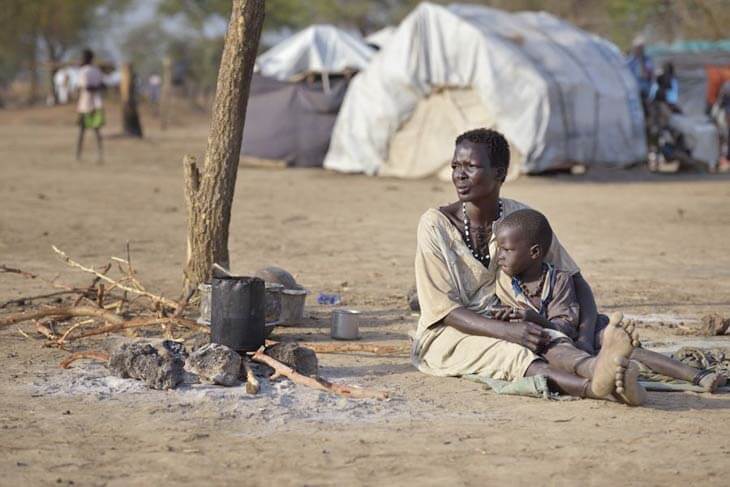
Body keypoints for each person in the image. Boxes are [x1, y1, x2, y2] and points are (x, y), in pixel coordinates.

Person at [413, 128, 645, 405]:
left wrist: (583, 338)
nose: (459, 175)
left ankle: (602, 369)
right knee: (515, 353)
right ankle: (595, 387)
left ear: (500, 174)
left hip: (516, 322)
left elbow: (574, 279)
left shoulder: (520, 219)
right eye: (455, 166)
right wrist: (508, 332)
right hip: (451, 334)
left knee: (560, 338)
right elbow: (445, 311)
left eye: (470, 167)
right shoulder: (434, 225)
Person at [492, 208, 726, 392]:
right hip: (557, 344)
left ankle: (697, 376)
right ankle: (607, 377)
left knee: (632, 352)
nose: (499, 256)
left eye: (506, 250)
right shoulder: (505, 284)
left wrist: (535, 319)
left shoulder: (559, 280)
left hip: (587, 333)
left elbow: (565, 324)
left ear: (534, 252)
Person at [76, 48, 105, 163]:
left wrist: (92, 88)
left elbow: (85, 87)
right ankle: (99, 154)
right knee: (96, 131)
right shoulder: (97, 71)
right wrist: (97, 87)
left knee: (82, 131)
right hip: (97, 103)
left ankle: (78, 155)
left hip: (85, 104)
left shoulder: (84, 71)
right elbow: (103, 85)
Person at [626, 37, 655, 109]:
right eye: (637, 48)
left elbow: (649, 73)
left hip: (645, 90)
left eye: (641, 48)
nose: (639, 50)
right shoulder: (630, 61)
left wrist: (642, 62)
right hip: (632, 90)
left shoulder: (647, 60)